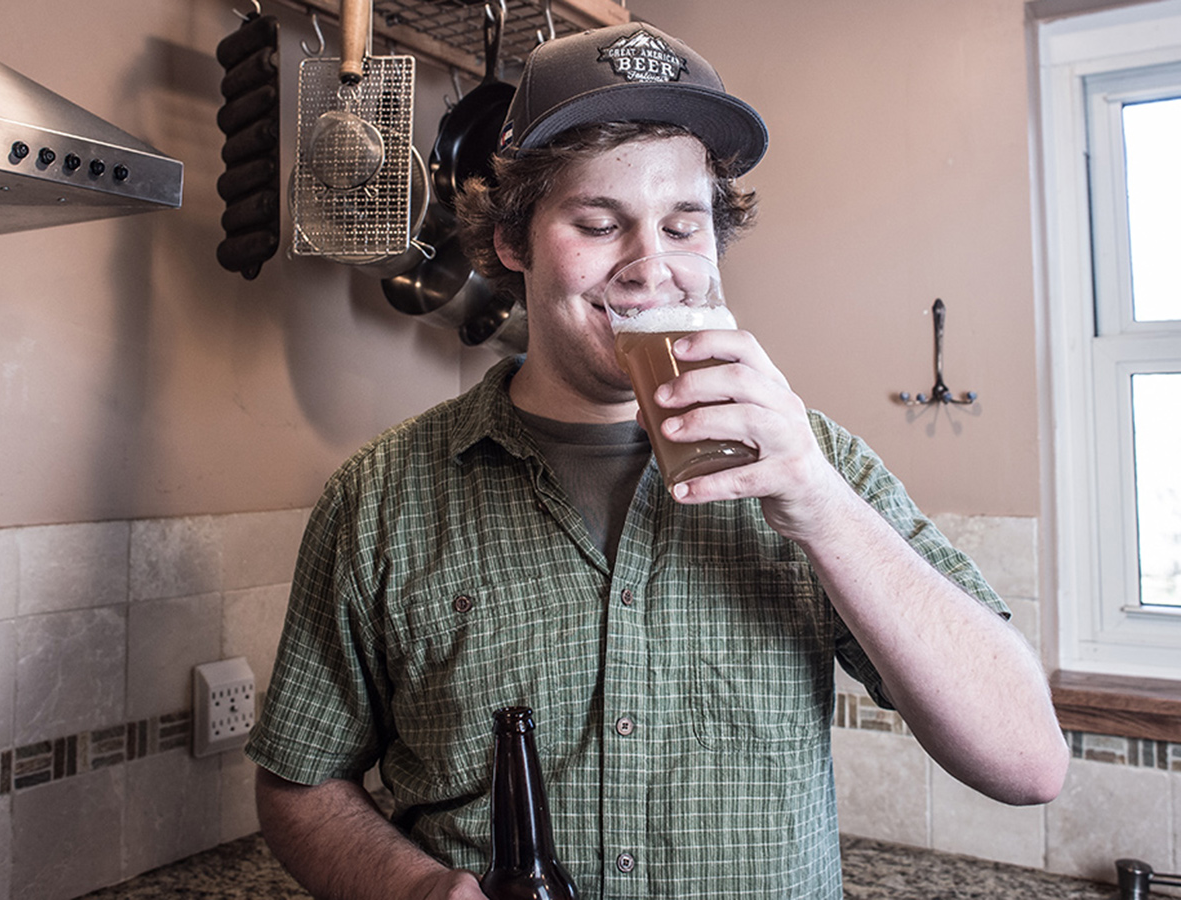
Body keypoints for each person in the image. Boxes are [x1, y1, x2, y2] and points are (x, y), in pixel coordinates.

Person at [246, 21, 1068, 900]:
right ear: (514, 241)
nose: (650, 267)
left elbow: (1029, 763)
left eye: (683, 226)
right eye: (600, 224)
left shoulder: (818, 464)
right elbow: (300, 788)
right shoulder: (380, 496)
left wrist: (820, 507)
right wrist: (412, 889)